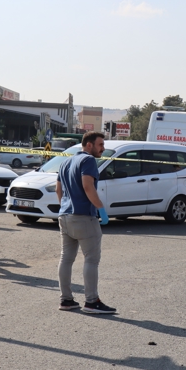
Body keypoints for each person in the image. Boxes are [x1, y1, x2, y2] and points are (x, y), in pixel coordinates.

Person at [56, 131, 116, 314]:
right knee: (91, 259)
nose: (103, 149)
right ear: (89, 145)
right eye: (100, 145)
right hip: (83, 216)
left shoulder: (65, 162)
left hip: (65, 215)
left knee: (66, 258)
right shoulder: (88, 161)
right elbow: (87, 185)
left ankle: (66, 299)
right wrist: (101, 208)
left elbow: (58, 189)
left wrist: (66, 207)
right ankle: (91, 301)